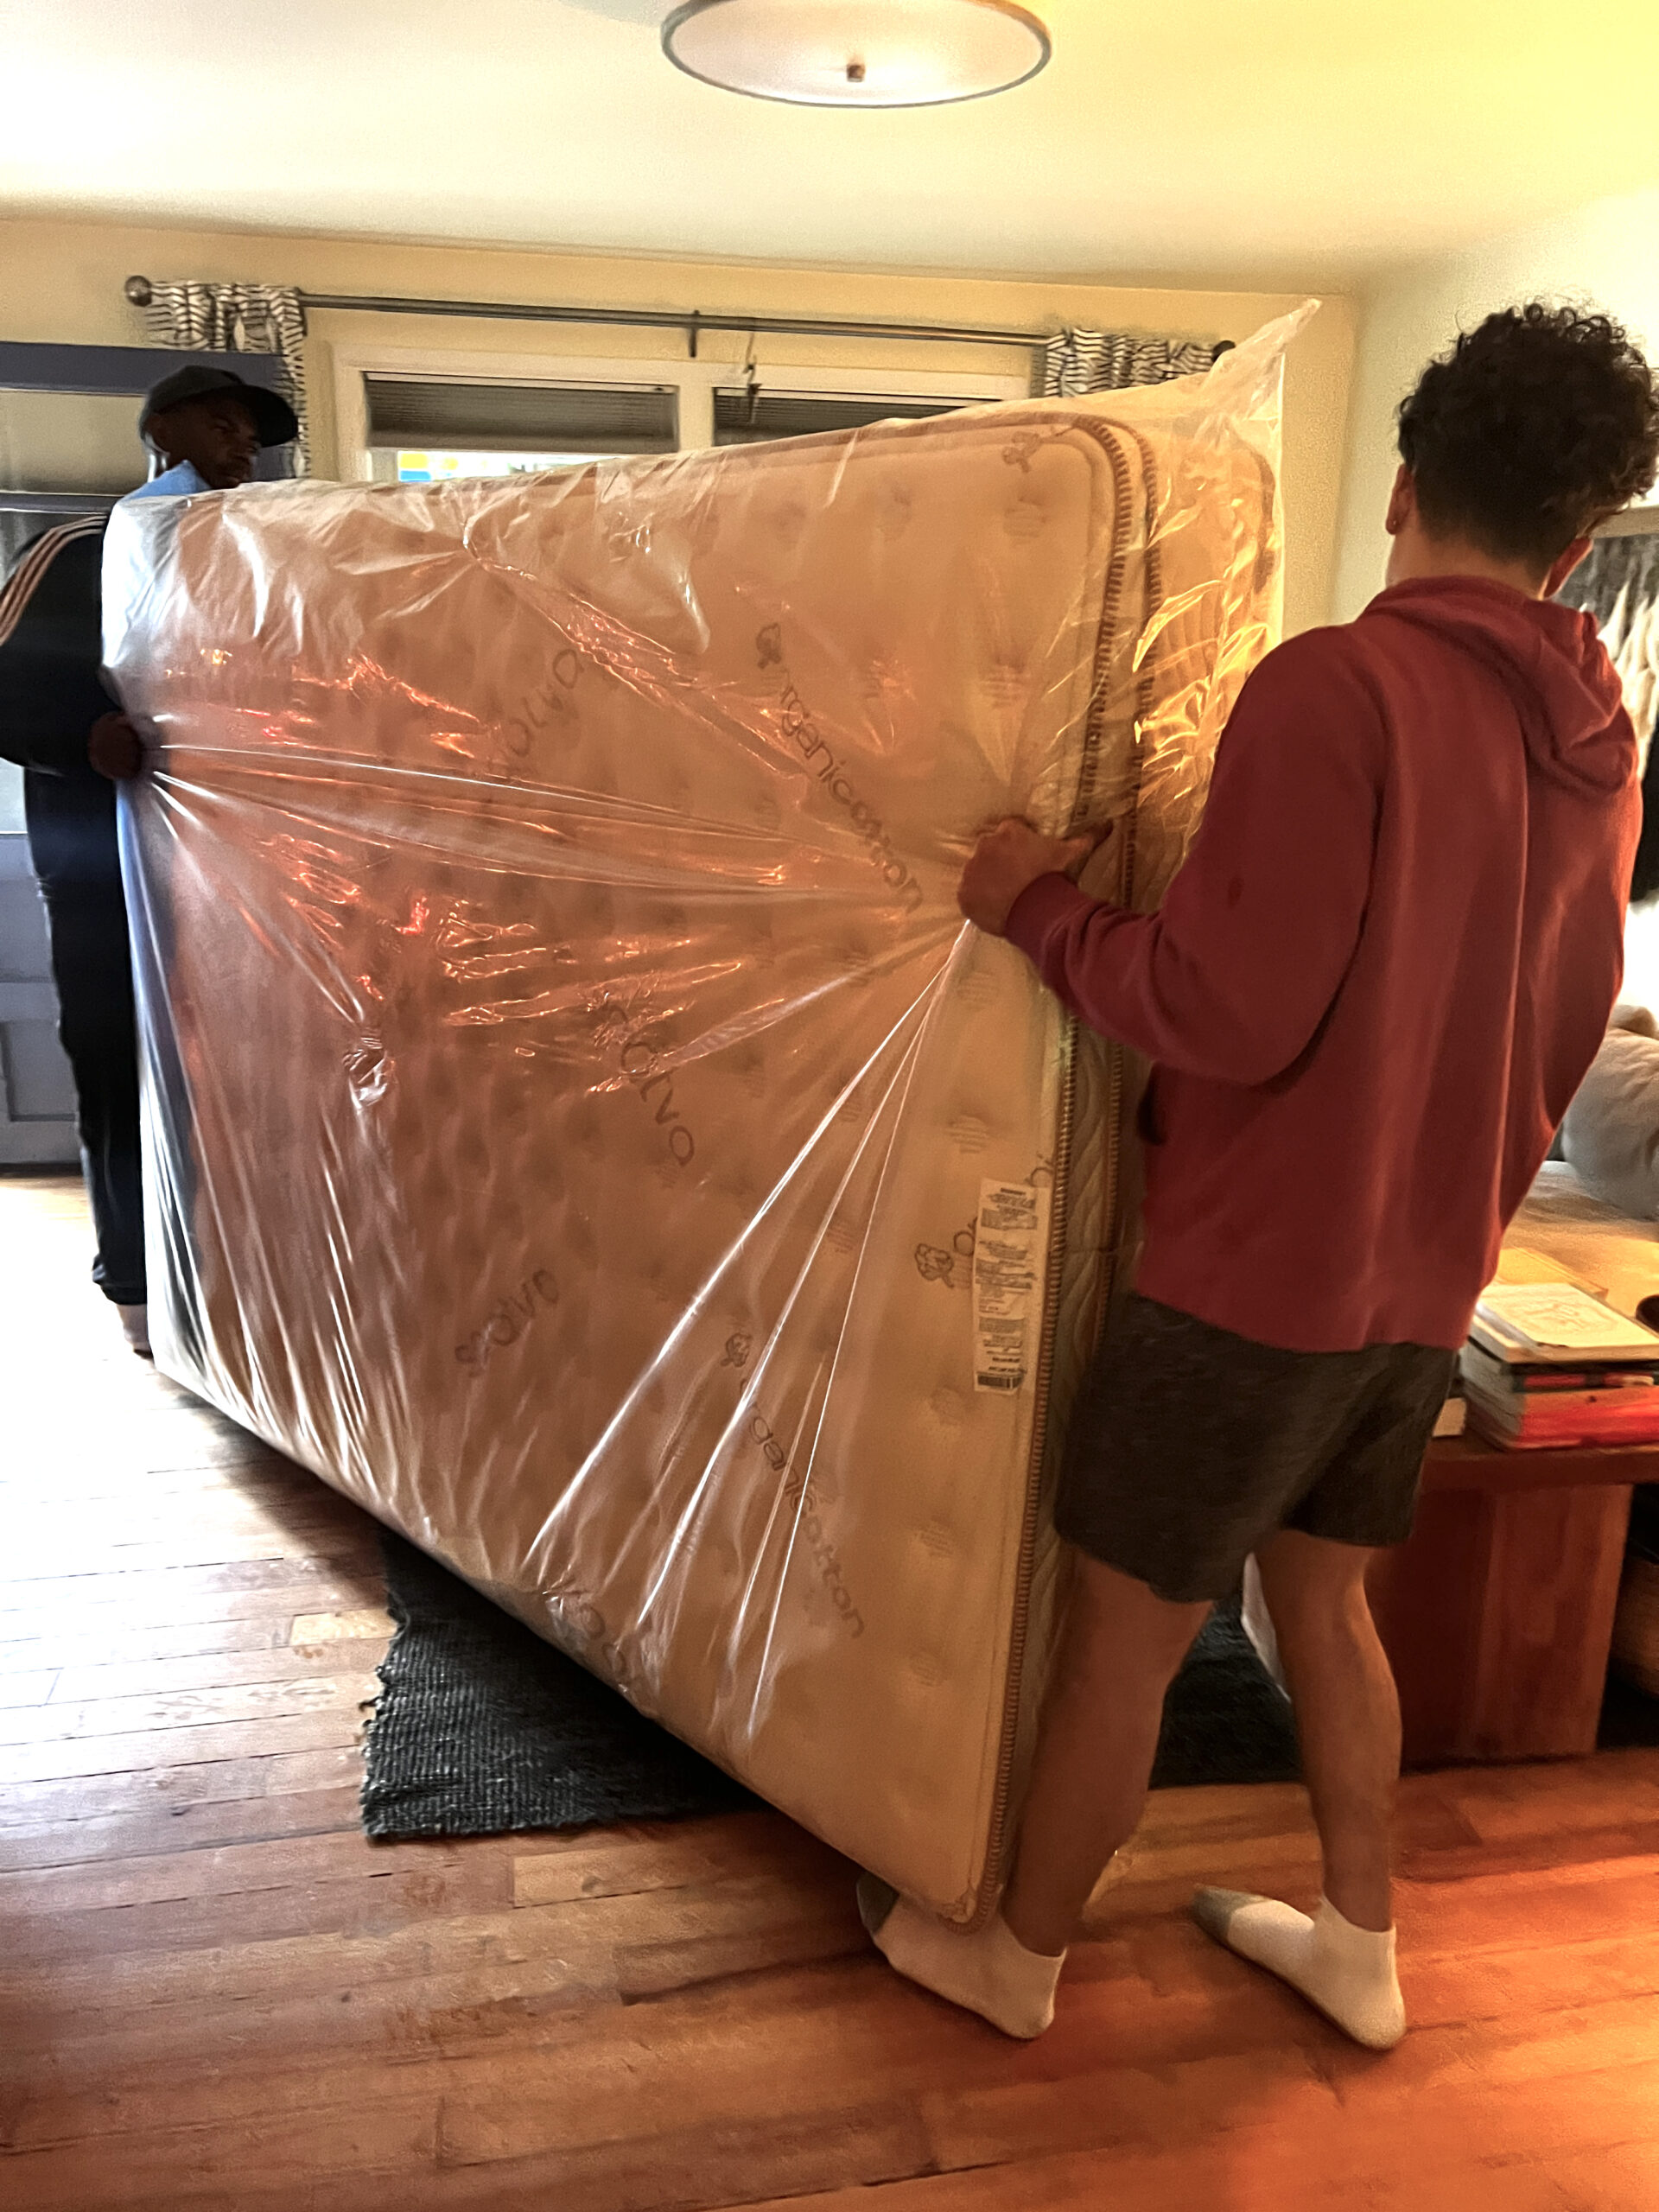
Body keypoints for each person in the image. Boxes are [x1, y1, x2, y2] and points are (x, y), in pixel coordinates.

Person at [861, 304, 1659, 2050]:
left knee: (1126, 1638)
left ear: (1400, 485)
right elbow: (1563, 1011)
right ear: (1583, 541)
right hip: (1423, 1283)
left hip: (1250, 1284)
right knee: (1325, 1600)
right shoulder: (1603, 745)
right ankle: (1360, 1942)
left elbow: (1219, 1004)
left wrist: (1030, 906)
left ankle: (1019, 1955)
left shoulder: (1341, 684)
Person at [0, 365, 296, 1351]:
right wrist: (82, 734)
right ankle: (135, 1278)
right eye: (224, 422)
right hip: (100, 871)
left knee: (238, 1066)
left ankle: (239, 1261)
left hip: (230, 879)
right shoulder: (84, 549)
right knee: (117, 1058)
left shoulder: (254, 560)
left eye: (252, 431)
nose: (243, 442)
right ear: (163, 433)